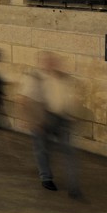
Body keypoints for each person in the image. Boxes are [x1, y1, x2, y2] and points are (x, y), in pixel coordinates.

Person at [25, 52, 82, 198]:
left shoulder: (64, 78)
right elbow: (24, 100)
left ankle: (73, 185)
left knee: (68, 151)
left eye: (54, 62)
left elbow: (70, 97)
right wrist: (32, 120)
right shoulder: (35, 78)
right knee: (43, 150)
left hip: (62, 119)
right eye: (49, 62)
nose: (52, 64)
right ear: (43, 63)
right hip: (43, 118)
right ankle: (46, 177)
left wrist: (72, 113)